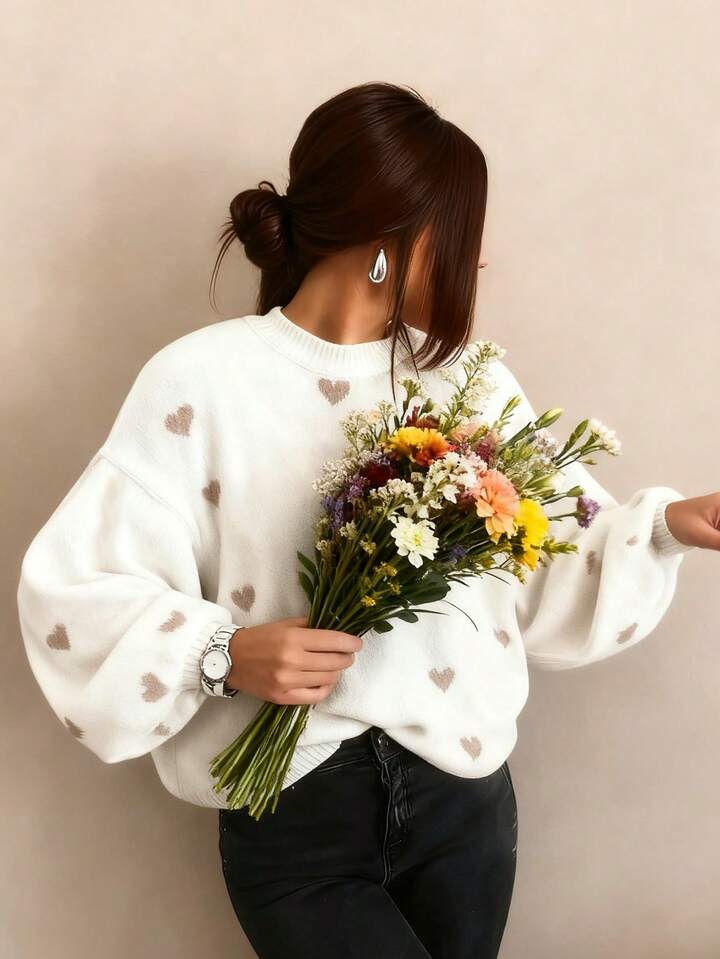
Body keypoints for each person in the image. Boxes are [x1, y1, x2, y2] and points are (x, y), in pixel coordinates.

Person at [16, 81, 718, 959]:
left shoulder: (467, 383)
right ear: (389, 237)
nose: (479, 260)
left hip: (463, 806)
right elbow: (75, 587)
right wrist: (221, 651)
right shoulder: (200, 382)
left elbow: (546, 559)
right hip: (293, 815)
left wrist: (669, 526)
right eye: (459, 230)